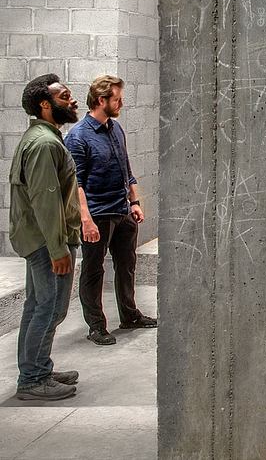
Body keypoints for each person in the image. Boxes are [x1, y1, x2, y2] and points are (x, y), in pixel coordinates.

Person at [65, 75, 157, 346]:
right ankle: (96, 325)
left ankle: (129, 315)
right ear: (101, 100)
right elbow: (76, 184)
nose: (121, 103)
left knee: (127, 265)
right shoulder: (78, 137)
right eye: (117, 99)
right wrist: (86, 220)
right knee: (93, 271)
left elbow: (126, 168)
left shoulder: (115, 129)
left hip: (122, 210)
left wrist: (135, 202)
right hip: (97, 214)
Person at [10, 74, 82, 401]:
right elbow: (46, 199)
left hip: (38, 238)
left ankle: (37, 367)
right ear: (46, 104)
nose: (73, 100)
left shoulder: (42, 137)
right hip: (46, 241)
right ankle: (33, 379)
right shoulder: (44, 143)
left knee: (37, 305)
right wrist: (58, 249)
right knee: (49, 308)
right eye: (65, 96)